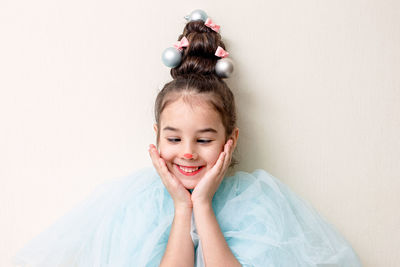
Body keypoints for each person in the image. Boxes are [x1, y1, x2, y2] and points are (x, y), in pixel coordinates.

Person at [13, 10, 362, 267]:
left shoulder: (257, 205)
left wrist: (203, 205)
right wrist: (183, 206)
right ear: (157, 137)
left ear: (231, 139)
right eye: (174, 139)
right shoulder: (136, 207)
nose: (188, 154)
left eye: (205, 140)